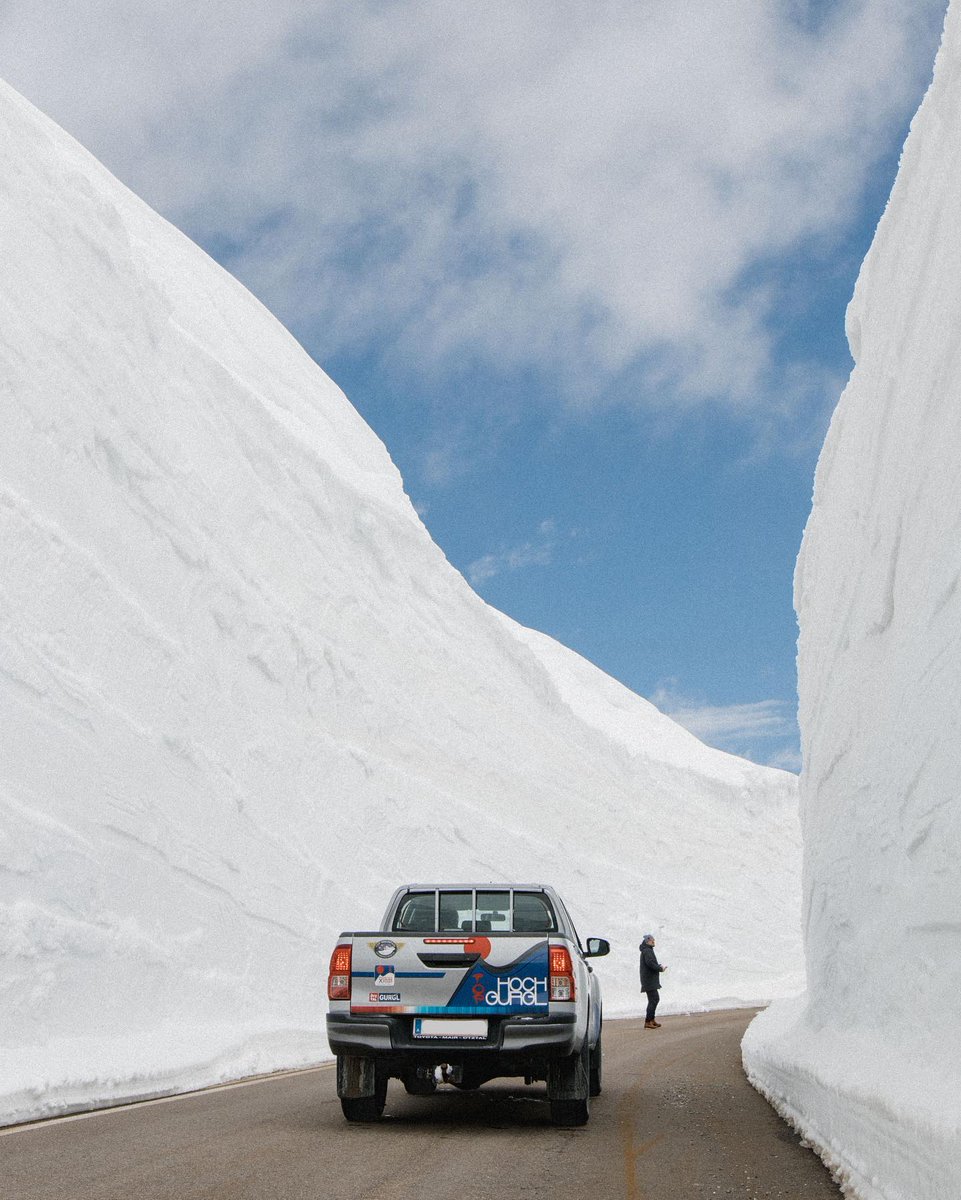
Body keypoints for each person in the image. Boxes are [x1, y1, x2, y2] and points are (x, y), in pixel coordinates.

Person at [639, 933, 667, 1028]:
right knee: (654, 999)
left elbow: (651, 963)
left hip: (649, 979)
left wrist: (658, 966)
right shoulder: (647, 951)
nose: (654, 941)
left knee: (654, 999)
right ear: (648, 941)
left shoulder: (647, 950)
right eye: (652, 940)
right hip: (649, 980)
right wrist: (660, 968)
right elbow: (650, 963)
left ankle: (651, 1019)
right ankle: (648, 1021)